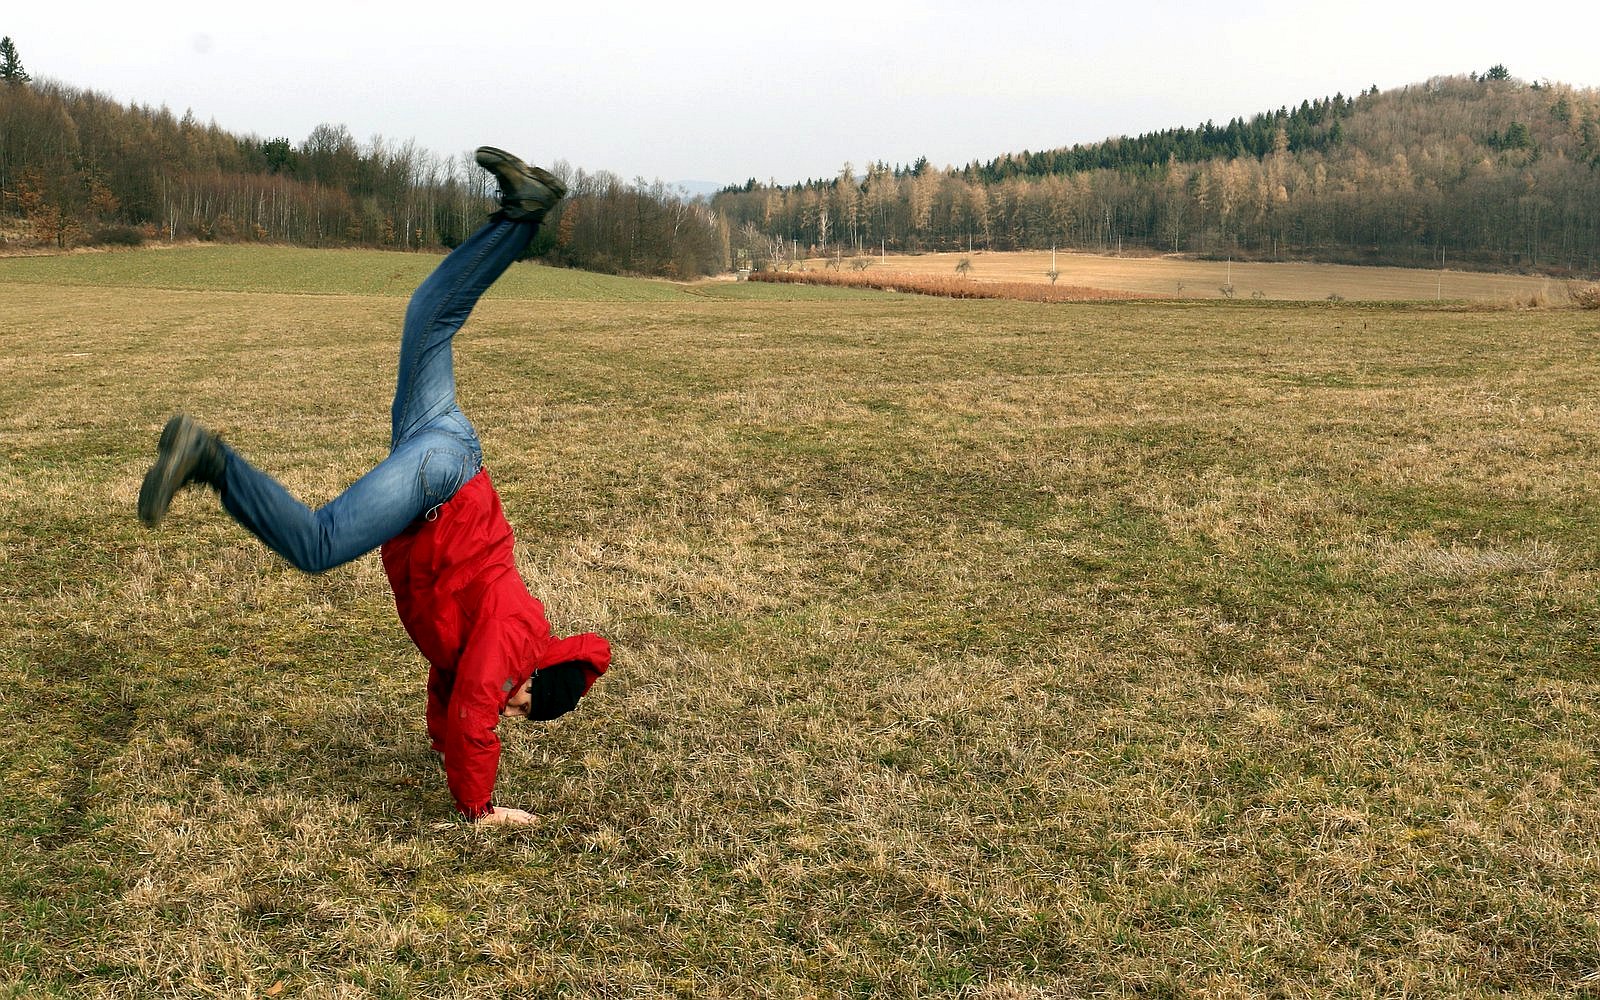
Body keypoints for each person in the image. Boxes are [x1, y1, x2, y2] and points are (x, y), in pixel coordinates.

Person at [136, 147, 610, 826]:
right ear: (536, 674)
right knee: (319, 542)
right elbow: (476, 706)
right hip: (440, 485)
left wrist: (438, 741)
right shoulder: (512, 645)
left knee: (430, 315)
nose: (513, 707)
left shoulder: (496, 643)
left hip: (444, 454)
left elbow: (449, 691)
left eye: (519, 711)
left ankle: (522, 211)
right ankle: (208, 459)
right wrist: (480, 807)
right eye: (526, 702)